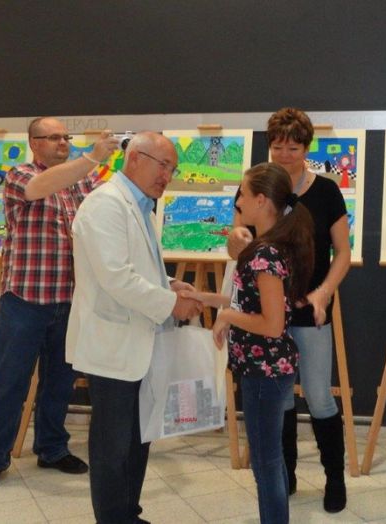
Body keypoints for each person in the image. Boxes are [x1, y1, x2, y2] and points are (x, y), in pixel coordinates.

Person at [0, 117, 119, 492]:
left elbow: (113, 200)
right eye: (53, 137)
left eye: (65, 137)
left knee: (59, 384)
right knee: (10, 383)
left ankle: (52, 449)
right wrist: (93, 157)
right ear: (34, 143)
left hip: (69, 300)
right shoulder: (20, 175)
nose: (62, 142)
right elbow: (40, 187)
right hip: (25, 300)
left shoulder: (81, 182)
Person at [65, 132, 201, 524]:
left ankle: (129, 513)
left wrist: (169, 284)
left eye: (172, 169)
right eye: (163, 166)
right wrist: (171, 303)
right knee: (112, 446)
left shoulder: (143, 207)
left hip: (140, 343)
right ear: (136, 158)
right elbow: (116, 277)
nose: (167, 177)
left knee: (138, 439)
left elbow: (138, 269)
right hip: (113, 346)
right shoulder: (105, 204)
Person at [228, 108, 351, 513]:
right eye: (277, 147)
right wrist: (237, 238)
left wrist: (323, 293)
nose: (284, 155)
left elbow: (343, 252)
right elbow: (236, 238)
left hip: (310, 311)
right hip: (265, 311)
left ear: (307, 148)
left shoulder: (326, 191)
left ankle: (335, 479)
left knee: (318, 396)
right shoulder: (258, 185)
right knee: (278, 401)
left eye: (293, 148)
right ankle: (286, 476)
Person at [206, 162, 314, 524]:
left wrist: (227, 316)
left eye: (243, 193)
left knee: (265, 464)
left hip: (265, 372)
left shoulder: (265, 253)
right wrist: (207, 300)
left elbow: (271, 324)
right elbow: (250, 303)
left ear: (262, 200)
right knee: (271, 459)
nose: (238, 201)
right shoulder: (267, 247)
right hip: (264, 370)